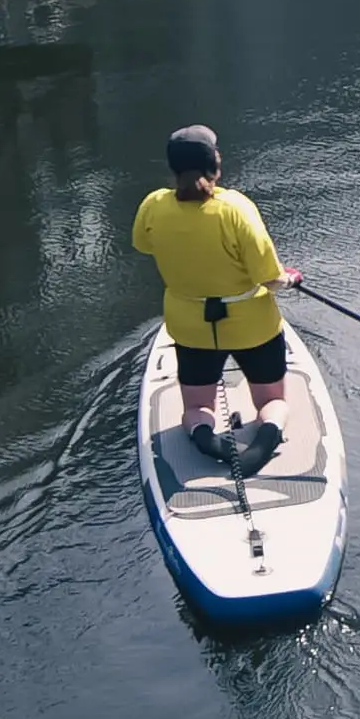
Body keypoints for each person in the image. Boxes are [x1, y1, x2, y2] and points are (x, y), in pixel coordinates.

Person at [132, 125, 300, 467]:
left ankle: (209, 440)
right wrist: (290, 278)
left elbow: (143, 244)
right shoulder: (236, 208)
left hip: (191, 325)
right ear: (215, 163)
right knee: (273, 401)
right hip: (253, 325)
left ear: (173, 168)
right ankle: (263, 442)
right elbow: (269, 279)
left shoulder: (152, 205)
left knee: (196, 408)